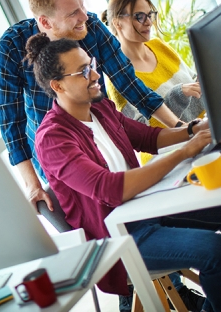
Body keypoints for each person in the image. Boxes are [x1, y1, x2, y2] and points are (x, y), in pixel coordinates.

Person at [28, 34, 221, 312]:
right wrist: (185, 151)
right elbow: (109, 188)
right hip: (120, 241)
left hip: (149, 211)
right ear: (58, 85)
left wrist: (194, 129)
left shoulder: (101, 109)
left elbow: (149, 138)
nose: (95, 74)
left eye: (90, 64)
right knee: (215, 252)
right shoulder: (52, 139)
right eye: (83, 71)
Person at [0, 0, 185, 212]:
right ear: (45, 21)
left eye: (82, 6)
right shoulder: (11, 46)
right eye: (74, 12)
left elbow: (129, 84)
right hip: (58, 148)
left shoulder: (91, 26)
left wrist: (182, 129)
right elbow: (10, 121)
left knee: (132, 194)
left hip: (99, 129)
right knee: (99, 210)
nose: (85, 16)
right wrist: (33, 185)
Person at [101, 0, 205, 165]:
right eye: (139, 17)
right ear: (117, 23)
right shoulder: (118, 80)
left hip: (203, 133)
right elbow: (144, 133)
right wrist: (178, 95)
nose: (148, 22)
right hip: (171, 157)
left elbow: (194, 83)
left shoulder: (158, 46)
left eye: (150, 15)